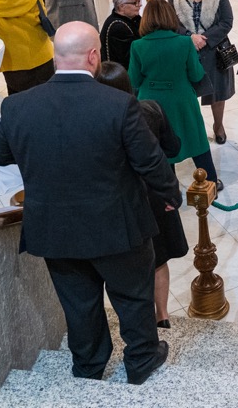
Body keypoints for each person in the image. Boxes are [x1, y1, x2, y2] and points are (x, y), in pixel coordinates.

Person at [0, 22, 180, 385]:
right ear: (93, 56)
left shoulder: (16, 105)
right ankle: (141, 359)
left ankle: (89, 367)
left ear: (55, 57)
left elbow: (0, 155)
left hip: (54, 230)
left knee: (78, 304)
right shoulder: (119, 104)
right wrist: (171, 195)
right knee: (132, 296)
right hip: (117, 226)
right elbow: (150, 162)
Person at [95, 62, 189, 330]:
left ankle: (141, 321)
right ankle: (163, 316)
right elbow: (173, 148)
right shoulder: (151, 109)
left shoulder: (95, 122)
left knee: (127, 265)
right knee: (159, 259)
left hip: (120, 201)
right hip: (156, 195)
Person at [128, 0, 220, 188]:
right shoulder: (185, 43)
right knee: (196, 139)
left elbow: (134, 80)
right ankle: (210, 181)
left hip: (150, 103)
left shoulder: (137, 45)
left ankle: (169, 188)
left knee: (159, 144)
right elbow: (196, 74)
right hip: (182, 99)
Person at [168, 0, 236, 142]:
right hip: (187, 51)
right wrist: (190, 36)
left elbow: (226, 22)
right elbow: (172, 23)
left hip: (214, 51)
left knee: (217, 93)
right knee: (188, 93)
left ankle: (218, 126)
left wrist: (203, 39)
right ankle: (193, 129)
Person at [100, 0, 142, 69]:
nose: (140, 5)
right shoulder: (117, 27)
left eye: (139, 0)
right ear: (122, 6)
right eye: (135, 2)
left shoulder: (132, 19)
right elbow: (130, 58)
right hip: (121, 74)